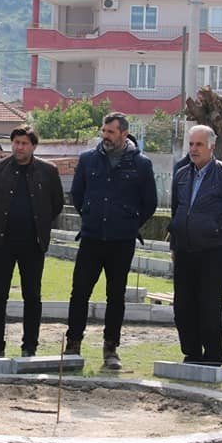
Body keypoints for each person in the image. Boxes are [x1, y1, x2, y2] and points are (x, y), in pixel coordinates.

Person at [63, 112, 158, 370]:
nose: (105, 136)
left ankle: (111, 348)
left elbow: (150, 203)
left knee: (116, 296)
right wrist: (90, 215)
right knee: (79, 291)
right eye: (103, 131)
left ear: (124, 134)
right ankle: (73, 344)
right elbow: (78, 194)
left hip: (121, 241)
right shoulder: (88, 159)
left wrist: (129, 223)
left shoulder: (141, 164)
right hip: (92, 237)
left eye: (111, 132)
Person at [169, 125, 222, 367]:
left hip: (214, 250)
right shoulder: (181, 175)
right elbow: (177, 211)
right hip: (185, 250)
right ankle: (192, 353)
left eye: (199, 144)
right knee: (182, 306)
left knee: (209, 306)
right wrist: (174, 245)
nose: (194, 149)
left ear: (211, 147)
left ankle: (213, 357)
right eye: (191, 144)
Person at [0, 124, 64, 357]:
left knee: (32, 295)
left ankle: (30, 346)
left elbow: (56, 204)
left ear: (33, 146)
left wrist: (40, 225)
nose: (19, 147)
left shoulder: (48, 171)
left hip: (33, 243)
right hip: (3, 242)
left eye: (24, 143)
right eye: (16, 143)